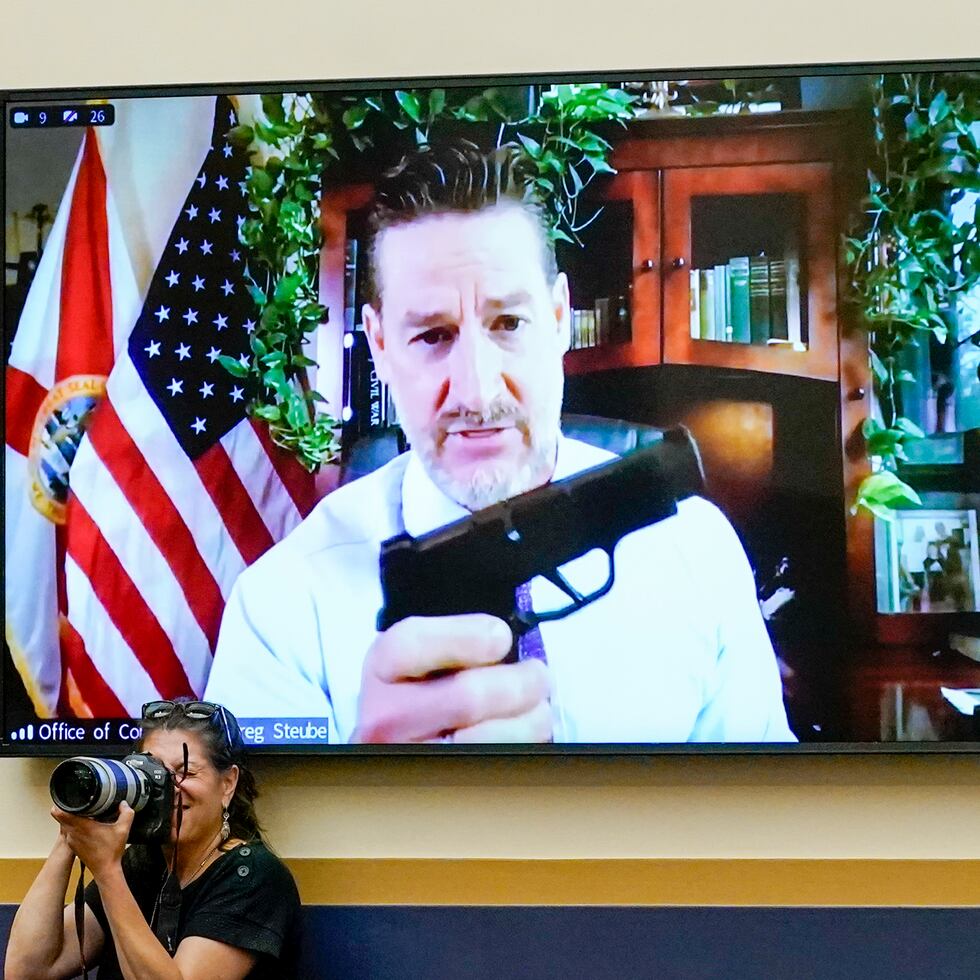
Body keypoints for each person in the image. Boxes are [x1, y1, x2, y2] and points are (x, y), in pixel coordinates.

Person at [204, 141, 795, 745]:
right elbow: (253, 836)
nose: (478, 391)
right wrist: (371, 795)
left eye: (508, 324)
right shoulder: (281, 610)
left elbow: (768, 829)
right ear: (379, 346)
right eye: (433, 335)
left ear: (561, 318)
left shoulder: (695, 551)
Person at [4, 700, 301, 980]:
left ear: (227, 784)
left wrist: (108, 871)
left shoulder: (253, 877)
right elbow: (27, 970)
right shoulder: (142, 864)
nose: (167, 787)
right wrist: (70, 834)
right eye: (153, 772)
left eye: (185, 772)